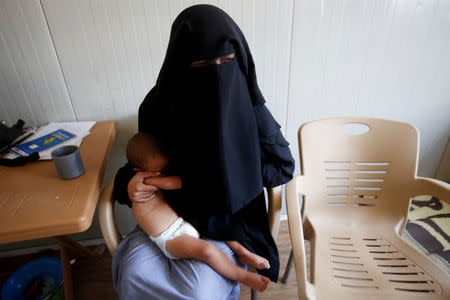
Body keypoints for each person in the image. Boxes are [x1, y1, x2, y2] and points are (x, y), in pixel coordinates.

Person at [112, 4, 295, 299]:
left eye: (227, 60)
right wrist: (129, 184)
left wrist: (234, 173)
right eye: (201, 66)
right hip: (169, 214)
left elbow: (283, 166)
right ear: (181, 65)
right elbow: (137, 166)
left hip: (229, 221)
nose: (216, 74)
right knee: (134, 274)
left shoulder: (248, 105)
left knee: (198, 292)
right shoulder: (159, 106)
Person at [126, 132, 271, 292]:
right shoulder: (143, 183)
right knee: (207, 251)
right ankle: (243, 277)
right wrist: (154, 179)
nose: (162, 174)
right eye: (157, 172)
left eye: (165, 169)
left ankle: (244, 253)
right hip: (172, 238)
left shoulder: (152, 175)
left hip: (185, 221)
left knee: (220, 226)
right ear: (137, 170)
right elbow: (175, 183)